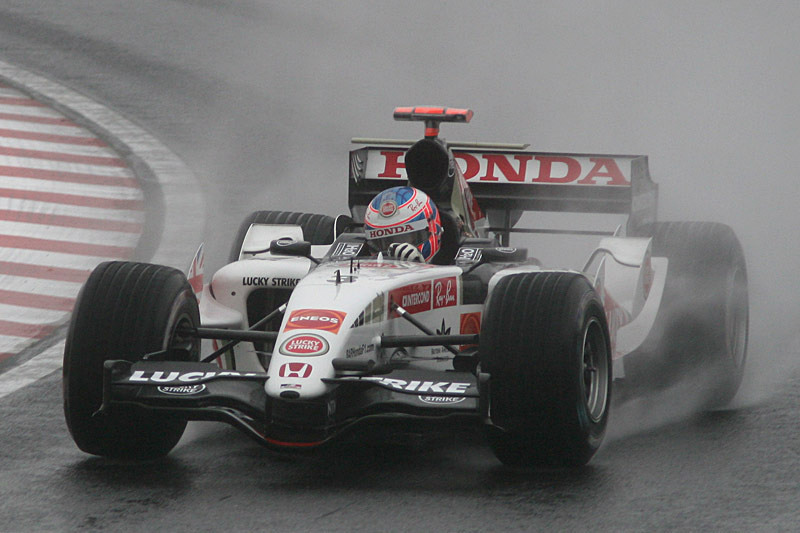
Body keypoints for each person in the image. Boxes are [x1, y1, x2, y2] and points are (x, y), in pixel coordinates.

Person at [363, 186, 442, 263]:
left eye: (404, 238)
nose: (396, 249)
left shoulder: (453, 267)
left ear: (430, 229)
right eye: (386, 242)